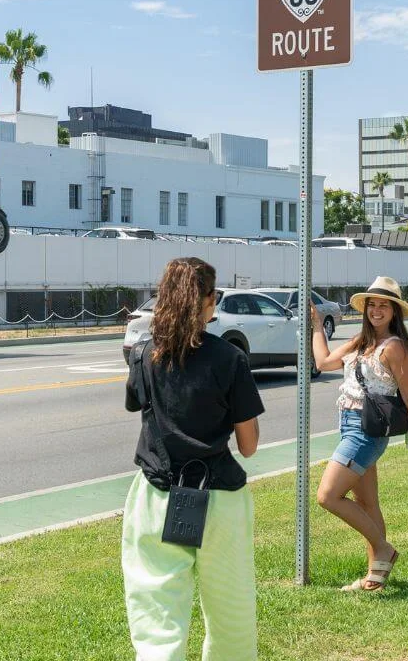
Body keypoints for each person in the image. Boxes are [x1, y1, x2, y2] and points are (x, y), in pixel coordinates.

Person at [121, 257, 265, 660]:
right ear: (207, 301)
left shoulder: (145, 354)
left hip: (156, 495)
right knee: (231, 609)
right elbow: (249, 444)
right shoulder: (228, 358)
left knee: (156, 614)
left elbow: (137, 403)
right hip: (218, 496)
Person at [310, 275, 408, 592]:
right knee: (367, 504)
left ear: (395, 311)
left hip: (365, 433)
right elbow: (324, 362)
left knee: (327, 496)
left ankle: (383, 548)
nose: (377, 310)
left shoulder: (395, 347)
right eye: (373, 305)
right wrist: (316, 326)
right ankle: (376, 575)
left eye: (385, 305)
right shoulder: (361, 341)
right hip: (349, 426)